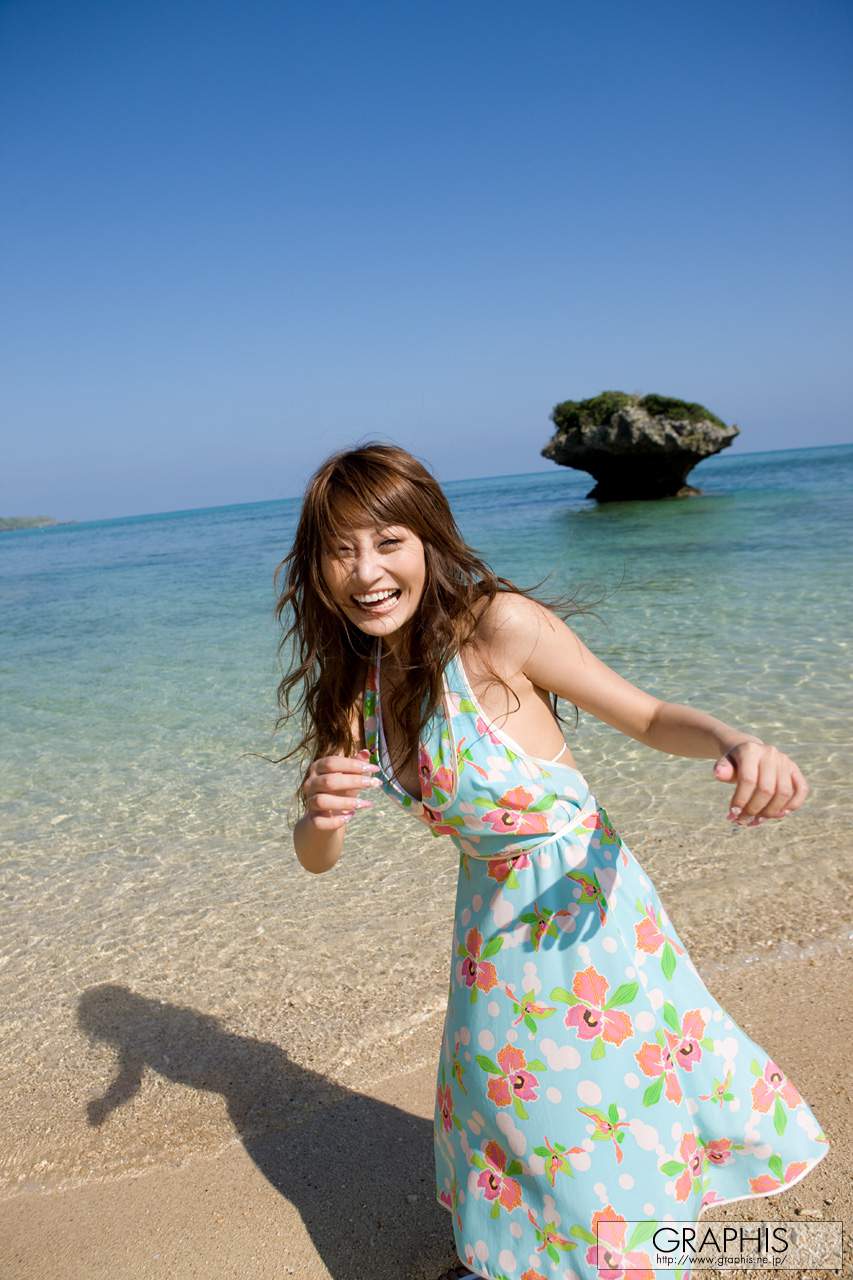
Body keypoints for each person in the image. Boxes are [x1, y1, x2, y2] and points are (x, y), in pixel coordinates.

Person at [274, 442, 828, 1280]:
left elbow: (646, 717)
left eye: (387, 542)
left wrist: (736, 740)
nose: (366, 571)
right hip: (488, 928)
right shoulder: (360, 683)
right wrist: (319, 815)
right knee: (505, 1117)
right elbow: (317, 857)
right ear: (316, 567)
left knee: (594, 1119)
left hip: (584, 911)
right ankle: (517, 1262)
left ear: (427, 540)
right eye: (340, 550)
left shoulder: (496, 629)